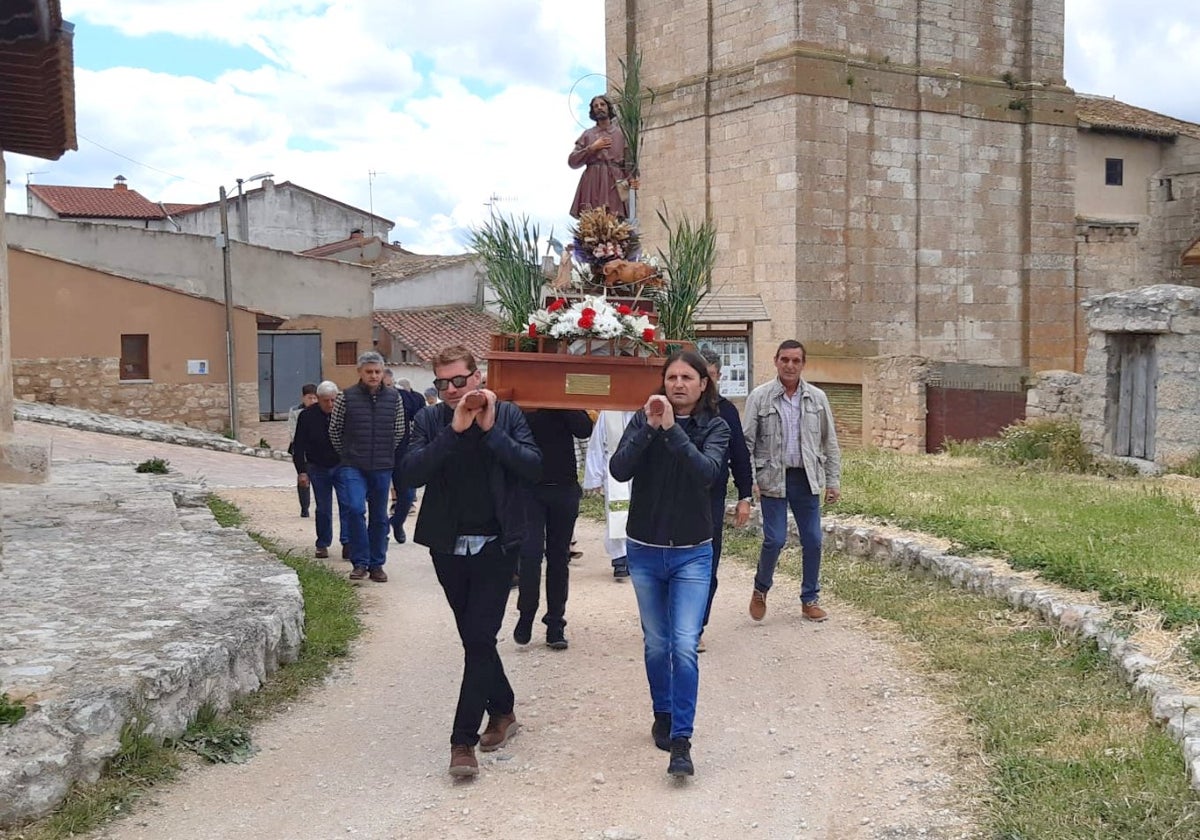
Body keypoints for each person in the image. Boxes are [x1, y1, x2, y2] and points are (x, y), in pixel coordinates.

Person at [401, 344, 541, 778]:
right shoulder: (429, 420)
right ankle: (503, 710)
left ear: (477, 376)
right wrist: (454, 432)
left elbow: (534, 466)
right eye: (442, 383)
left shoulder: (510, 415)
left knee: (479, 637)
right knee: (475, 640)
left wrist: (490, 429)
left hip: (496, 546)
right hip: (447, 546)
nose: (450, 390)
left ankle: (462, 743)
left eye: (459, 380)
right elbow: (407, 474)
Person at [610, 349, 729, 778]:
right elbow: (619, 469)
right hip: (644, 549)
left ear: (703, 384)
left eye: (687, 377)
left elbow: (707, 473)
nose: (678, 384)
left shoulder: (715, 426)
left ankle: (682, 740)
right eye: (671, 377)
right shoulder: (642, 421)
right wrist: (648, 428)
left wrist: (672, 430)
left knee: (683, 644)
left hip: (692, 553)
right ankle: (662, 711)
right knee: (657, 644)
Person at [743, 340, 842, 623]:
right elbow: (746, 442)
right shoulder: (760, 397)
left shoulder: (817, 398)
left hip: (806, 477)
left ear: (803, 364)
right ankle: (760, 589)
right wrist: (750, 480)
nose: (789, 365)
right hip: (772, 477)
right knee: (775, 539)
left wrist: (833, 481)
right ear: (776, 361)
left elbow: (829, 442)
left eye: (796, 361)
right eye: (784, 359)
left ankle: (810, 599)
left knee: (813, 539)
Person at [514, 409, 594, 650]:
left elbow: (584, 428)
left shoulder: (564, 397)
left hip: (564, 487)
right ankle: (526, 614)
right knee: (530, 555)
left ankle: (555, 624)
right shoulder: (523, 401)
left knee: (559, 557)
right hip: (529, 488)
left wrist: (561, 402)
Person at [329, 351, 405, 583]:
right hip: (353, 465)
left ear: (383, 373)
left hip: (382, 465)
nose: (373, 376)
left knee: (379, 517)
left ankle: (377, 564)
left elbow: (399, 430)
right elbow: (334, 430)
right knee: (354, 508)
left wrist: (384, 450)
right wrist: (347, 453)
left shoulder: (394, 398)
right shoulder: (346, 397)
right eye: (369, 372)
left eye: (377, 372)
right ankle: (359, 562)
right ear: (360, 373)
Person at [697, 349, 753, 651]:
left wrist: (745, 496)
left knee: (708, 562)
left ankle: (696, 626)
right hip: (676, 498)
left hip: (712, 498)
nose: (705, 383)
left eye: (710, 376)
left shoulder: (727, 411)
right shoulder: (679, 409)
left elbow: (740, 458)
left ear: (717, 376)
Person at [292, 381, 351, 559]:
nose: (330, 404)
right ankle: (323, 543)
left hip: (342, 465)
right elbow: (299, 445)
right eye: (326, 400)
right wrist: (301, 471)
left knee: (347, 504)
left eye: (333, 400)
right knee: (323, 507)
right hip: (317, 466)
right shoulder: (307, 416)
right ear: (318, 399)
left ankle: (347, 542)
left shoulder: (344, 414)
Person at [583, 410, 636, 578]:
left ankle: (637, 555)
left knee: (640, 511)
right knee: (616, 511)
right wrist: (594, 477)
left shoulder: (646, 409)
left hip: (641, 466)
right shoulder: (608, 412)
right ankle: (620, 558)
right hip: (614, 467)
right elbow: (596, 446)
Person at [568, 94, 639, 219]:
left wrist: (632, 179)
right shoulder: (588, 134)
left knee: (616, 220)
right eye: (595, 106)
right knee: (592, 220)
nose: (599, 108)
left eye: (602, 105)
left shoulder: (621, 134)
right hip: (593, 181)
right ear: (593, 111)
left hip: (615, 181)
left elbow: (628, 164)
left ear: (609, 108)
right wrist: (592, 148)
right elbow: (572, 161)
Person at [390, 376, 427, 544]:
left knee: (407, 494)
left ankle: (397, 522)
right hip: (379, 453)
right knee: (376, 495)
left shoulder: (415, 399)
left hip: (404, 452)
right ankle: (381, 530)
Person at [287, 383, 318, 517]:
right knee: (303, 477)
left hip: (317, 449)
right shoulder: (295, 412)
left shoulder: (320, 410)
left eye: (315, 398)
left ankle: (320, 506)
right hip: (300, 450)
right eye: (310, 398)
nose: (312, 401)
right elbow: (294, 433)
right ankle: (304, 507)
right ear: (303, 398)